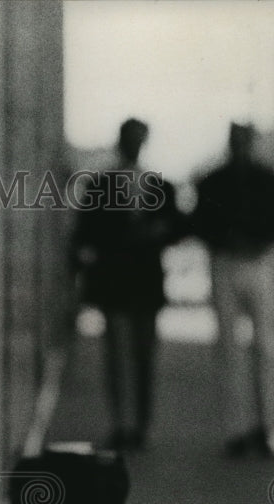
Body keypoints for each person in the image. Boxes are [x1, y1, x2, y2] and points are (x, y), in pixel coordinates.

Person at [72, 118, 188, 451]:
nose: (134, 145)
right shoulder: (100, 184)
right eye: (130, 138)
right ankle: (123, 424)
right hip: (115, 281)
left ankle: (140, 424)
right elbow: (86, 231)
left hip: (145, 283)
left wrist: (158, 231)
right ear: (121, 142)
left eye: (139, 139)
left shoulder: (160, 186)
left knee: (144, 356)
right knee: (119, 356)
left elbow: (178, 226)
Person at [192, 122, 274, 458]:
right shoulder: (214, 181)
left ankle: (266, 426)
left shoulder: (269, 180)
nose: (240, 147)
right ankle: (236, 429)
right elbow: (201, 224)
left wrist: (262, 245)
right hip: (226, 262)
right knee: (229, 348)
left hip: (259, 263)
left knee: (266, 347)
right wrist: (228, 242)